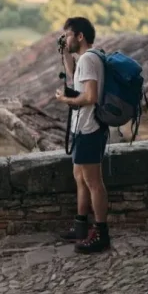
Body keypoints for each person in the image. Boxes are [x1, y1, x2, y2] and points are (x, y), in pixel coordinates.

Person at [55, 17, 110, 254]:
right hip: (84, 128)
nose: (65, 38)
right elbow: (73, 74)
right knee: (80, 177)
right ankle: (80, 226)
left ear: (80, 36)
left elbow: (89, 97)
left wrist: (65, 99)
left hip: (89, 129)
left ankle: (101, 233)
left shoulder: (89, 59)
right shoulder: (88, 59)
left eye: (68, 35)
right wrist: (64, 52)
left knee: (93, 182)